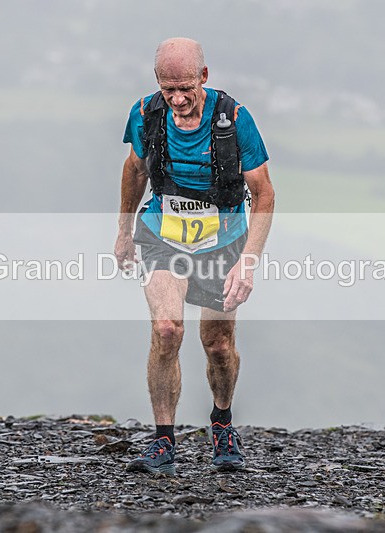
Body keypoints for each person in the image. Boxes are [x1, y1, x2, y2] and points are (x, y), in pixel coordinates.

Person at [114, 38, 274, 475]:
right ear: (157, 84)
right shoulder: (145, 113)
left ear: (204, 77)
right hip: (162, 235)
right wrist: (124, 232)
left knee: (218, 345)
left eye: (186, 87)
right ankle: (164, 440)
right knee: (167, 331)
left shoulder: (235, 119)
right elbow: (135, 169)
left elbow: (263, 194)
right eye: (169, 89)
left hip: (223, 241)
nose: (178, 99)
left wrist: (249, 261)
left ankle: (221, 422)